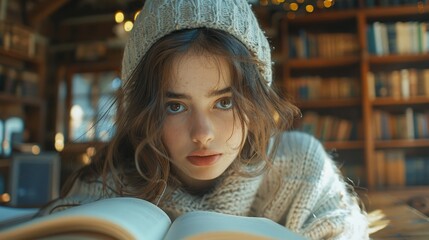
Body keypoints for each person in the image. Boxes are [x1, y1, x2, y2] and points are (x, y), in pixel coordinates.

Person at [39, 0, 369, 239]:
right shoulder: (105, 188)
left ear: (255, 98)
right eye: (175, 106)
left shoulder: (302, 167)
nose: (203, 134)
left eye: (224, 102)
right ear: (145, 113)